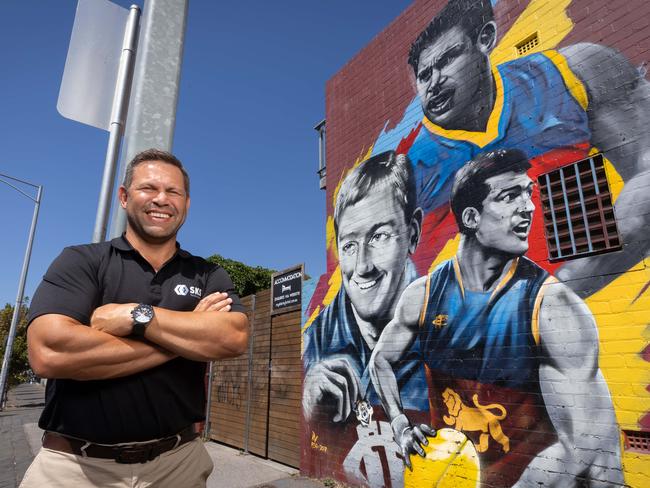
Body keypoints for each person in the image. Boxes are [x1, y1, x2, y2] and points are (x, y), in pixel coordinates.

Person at [369, 149, 623, 487]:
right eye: (509, 196)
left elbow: (588, 449)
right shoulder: (424, 295)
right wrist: (400, 425)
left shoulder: (551, 309)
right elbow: (380, 360)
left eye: (527, 193)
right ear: (472, 218)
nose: (529, 207)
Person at [374, 0, 650, 296]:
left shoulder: (571, 74)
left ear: (485, 39)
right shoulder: (409, 173)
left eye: (448, 59)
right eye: (424, 75)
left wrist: (568, 281)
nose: (435, 82)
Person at [23, 149, 249, 488]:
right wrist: (186, 341)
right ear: (124, 197)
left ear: (186, 204)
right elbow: (50, 351)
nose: (162, 199)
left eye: (173, 192)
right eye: (149, 188)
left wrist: (137, 316)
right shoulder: (81, 261)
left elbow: (232, 338)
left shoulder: (208, 275)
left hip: (178, 466)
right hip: (74, 468)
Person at [302, 151, 429, 486]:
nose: (362, 266)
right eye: (349, 245)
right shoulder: (316, 338)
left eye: (379, 236)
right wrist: (309, 407)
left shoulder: (447, 324)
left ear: (412, 233)